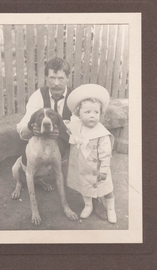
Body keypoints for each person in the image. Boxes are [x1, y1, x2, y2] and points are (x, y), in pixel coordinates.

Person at [14, 57, 72, 189]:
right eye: (52, 78)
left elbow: (83, 129)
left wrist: (63, 130)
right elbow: (23, 128)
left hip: (68, 144)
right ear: (46, 78)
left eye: (61, 78)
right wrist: (32, 128)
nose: (56, 83)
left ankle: (92, 194)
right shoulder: (38, 95)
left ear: (68, 78)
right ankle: (37, 174)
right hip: (43, 143)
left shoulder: (75, 97)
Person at [65, 84, 117, 223]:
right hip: (83, 167)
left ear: (100, 114)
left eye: (96, 112)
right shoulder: (77, 126)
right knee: (85, 187)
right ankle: (88, 205)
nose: (92, 116)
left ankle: (111, 208)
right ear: (79, 114)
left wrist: (104, 170)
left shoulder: (101, 133)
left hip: (98, 169)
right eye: (87, 112)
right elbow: (69, 127)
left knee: (106, 189)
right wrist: (70, 130)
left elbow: (106, 154)